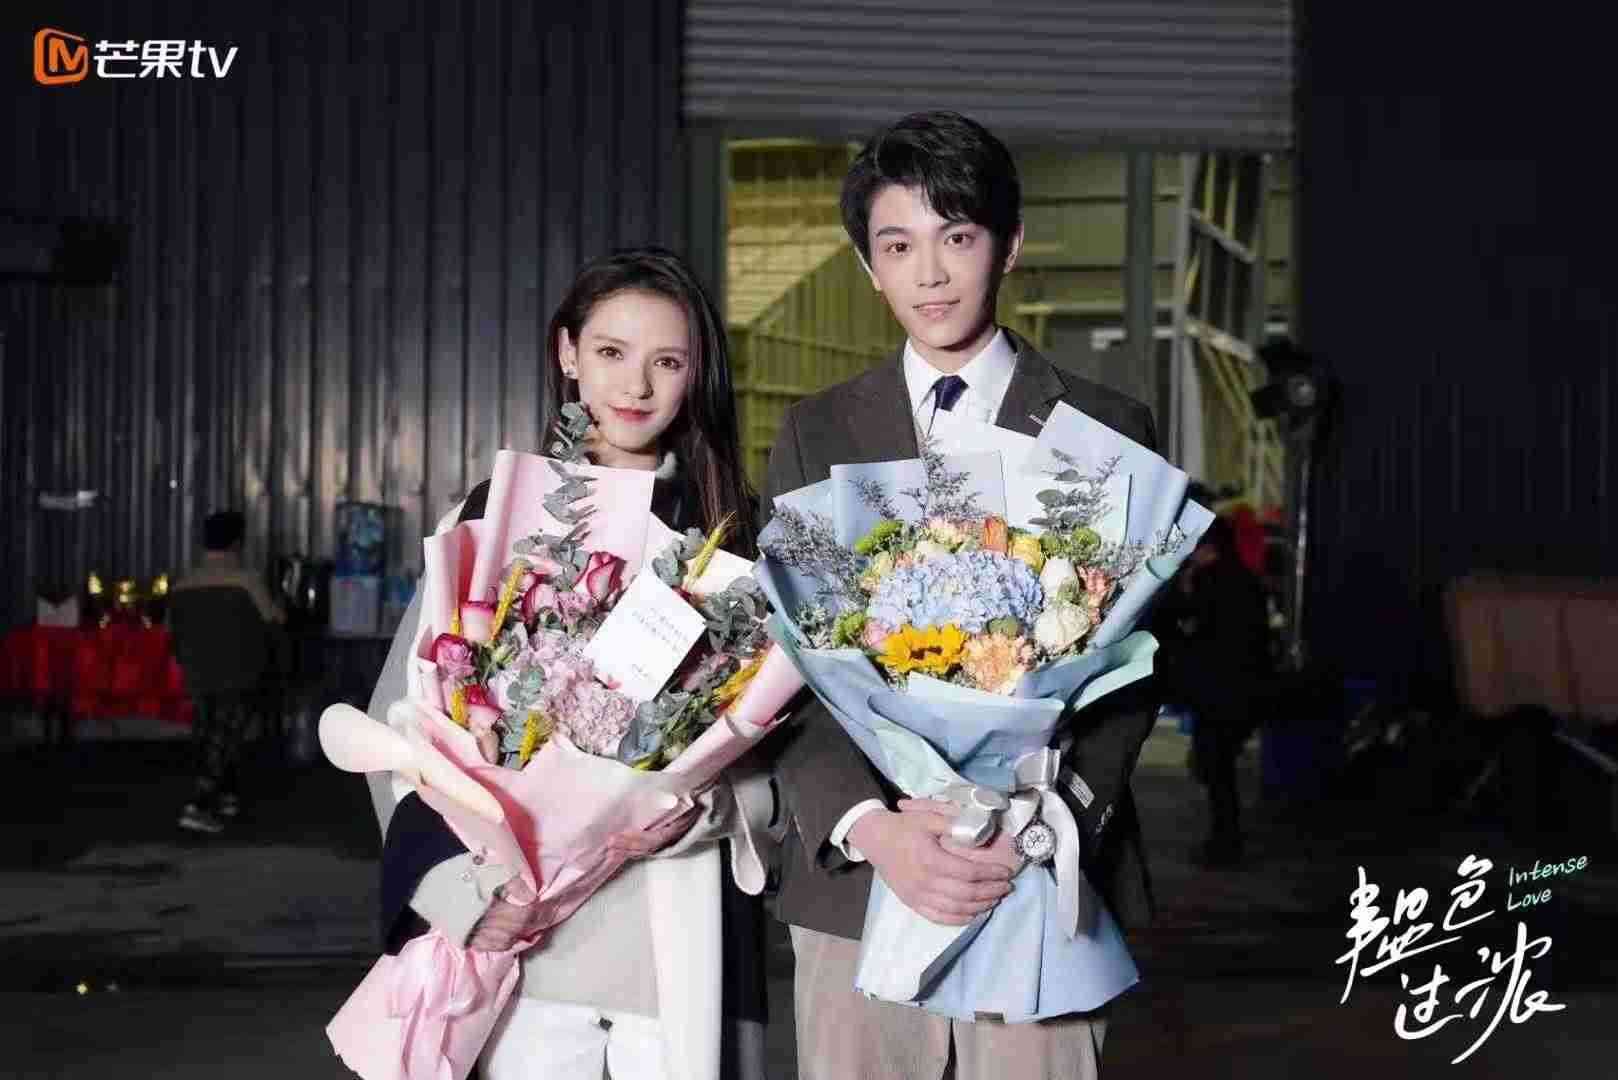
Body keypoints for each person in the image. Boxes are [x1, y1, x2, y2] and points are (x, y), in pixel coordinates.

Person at [761, 111, 1161, 1080]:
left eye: (958, 237)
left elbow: (1134, 670)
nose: (930, 274)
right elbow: (790, 662)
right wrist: (873, 828)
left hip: (1041, 874)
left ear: (1008, 245)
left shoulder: (1104, 424)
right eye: (899, 246)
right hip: (865, 889)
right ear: (870, 266)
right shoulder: (819, 431)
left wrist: (1040, 821)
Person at [366, 247, 768, 1079]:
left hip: (675, 929)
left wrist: (715, 812)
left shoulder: (734, 535)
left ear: (697, 375)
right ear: (568, 352)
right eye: (612, 352)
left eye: (668, 362)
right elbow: (399, 728)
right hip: (526, 944)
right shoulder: (492, 516)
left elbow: (783, 750)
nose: (636, 386)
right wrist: (462, 896)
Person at [1151, 514, 1271, 867]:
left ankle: (1225, 844)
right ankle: (1225, 841)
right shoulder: (1245, 578)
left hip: (1219, 691)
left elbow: (1180, 620)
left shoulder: (1209, 579)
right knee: (1219, 768)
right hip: (1243, 686)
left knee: (1216, 770)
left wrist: (1183, 583)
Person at [172, 510, 287, 835]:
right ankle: (197, 805)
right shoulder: (247, 581)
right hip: (239, 673)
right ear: (237, 543)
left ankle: (225, 796)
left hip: (197, 674)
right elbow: (274, 620)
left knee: (208, 734)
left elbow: (172, 632)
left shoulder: (183, 583)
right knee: (226, 736)